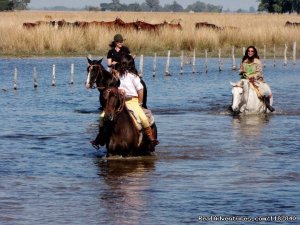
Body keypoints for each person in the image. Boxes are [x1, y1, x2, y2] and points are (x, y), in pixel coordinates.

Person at [91, 54, 159, 149]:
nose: (122, 66)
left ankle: (151, 138)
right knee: (102, 116)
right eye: (121, 64)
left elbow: (140, 89)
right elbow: (112, 87)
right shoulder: (116, 76)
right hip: (119, 102)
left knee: (143, 118)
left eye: (123, 64)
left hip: (132, 102)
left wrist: (140, 103)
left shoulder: (133, 77)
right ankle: (100, 137)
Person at [239, 46, 275, 112]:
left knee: (263, 91)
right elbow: (240, 70)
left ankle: (267, 105)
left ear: (254, 52)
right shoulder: (244, 61)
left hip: (256, 80)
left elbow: (259, 72)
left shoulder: (258, 61)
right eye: (249, 51)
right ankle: (234, 105)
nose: (250, 52)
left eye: (252, 51)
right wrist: (242, 72)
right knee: (236, 89)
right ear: (247, 52)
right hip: (245, 79)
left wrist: (253, 77)